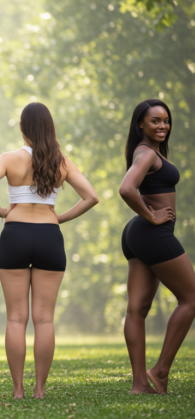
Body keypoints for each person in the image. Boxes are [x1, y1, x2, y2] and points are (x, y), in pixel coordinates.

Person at [0, 103, 98, 399]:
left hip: (15, 235)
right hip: (48, 236)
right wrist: (61, 217)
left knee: (16, 318)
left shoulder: (8, 159)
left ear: (22, 127)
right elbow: (91, 196)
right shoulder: (62, 162)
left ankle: (18, 390)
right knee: (44, 319)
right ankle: (40, 390)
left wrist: (3, 211)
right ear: (49, 127)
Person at [119, 99, 195, 395]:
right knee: (191, 299)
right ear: (141, 123)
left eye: (165, 120)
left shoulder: (145, 152)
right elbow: (126, 188)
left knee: (137, 309)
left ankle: (140, 384)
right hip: (152, 233)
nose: (162, 126)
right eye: (155, 121)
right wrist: (151, 216)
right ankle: (160, 371)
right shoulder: (146, 153)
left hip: (138, 234)